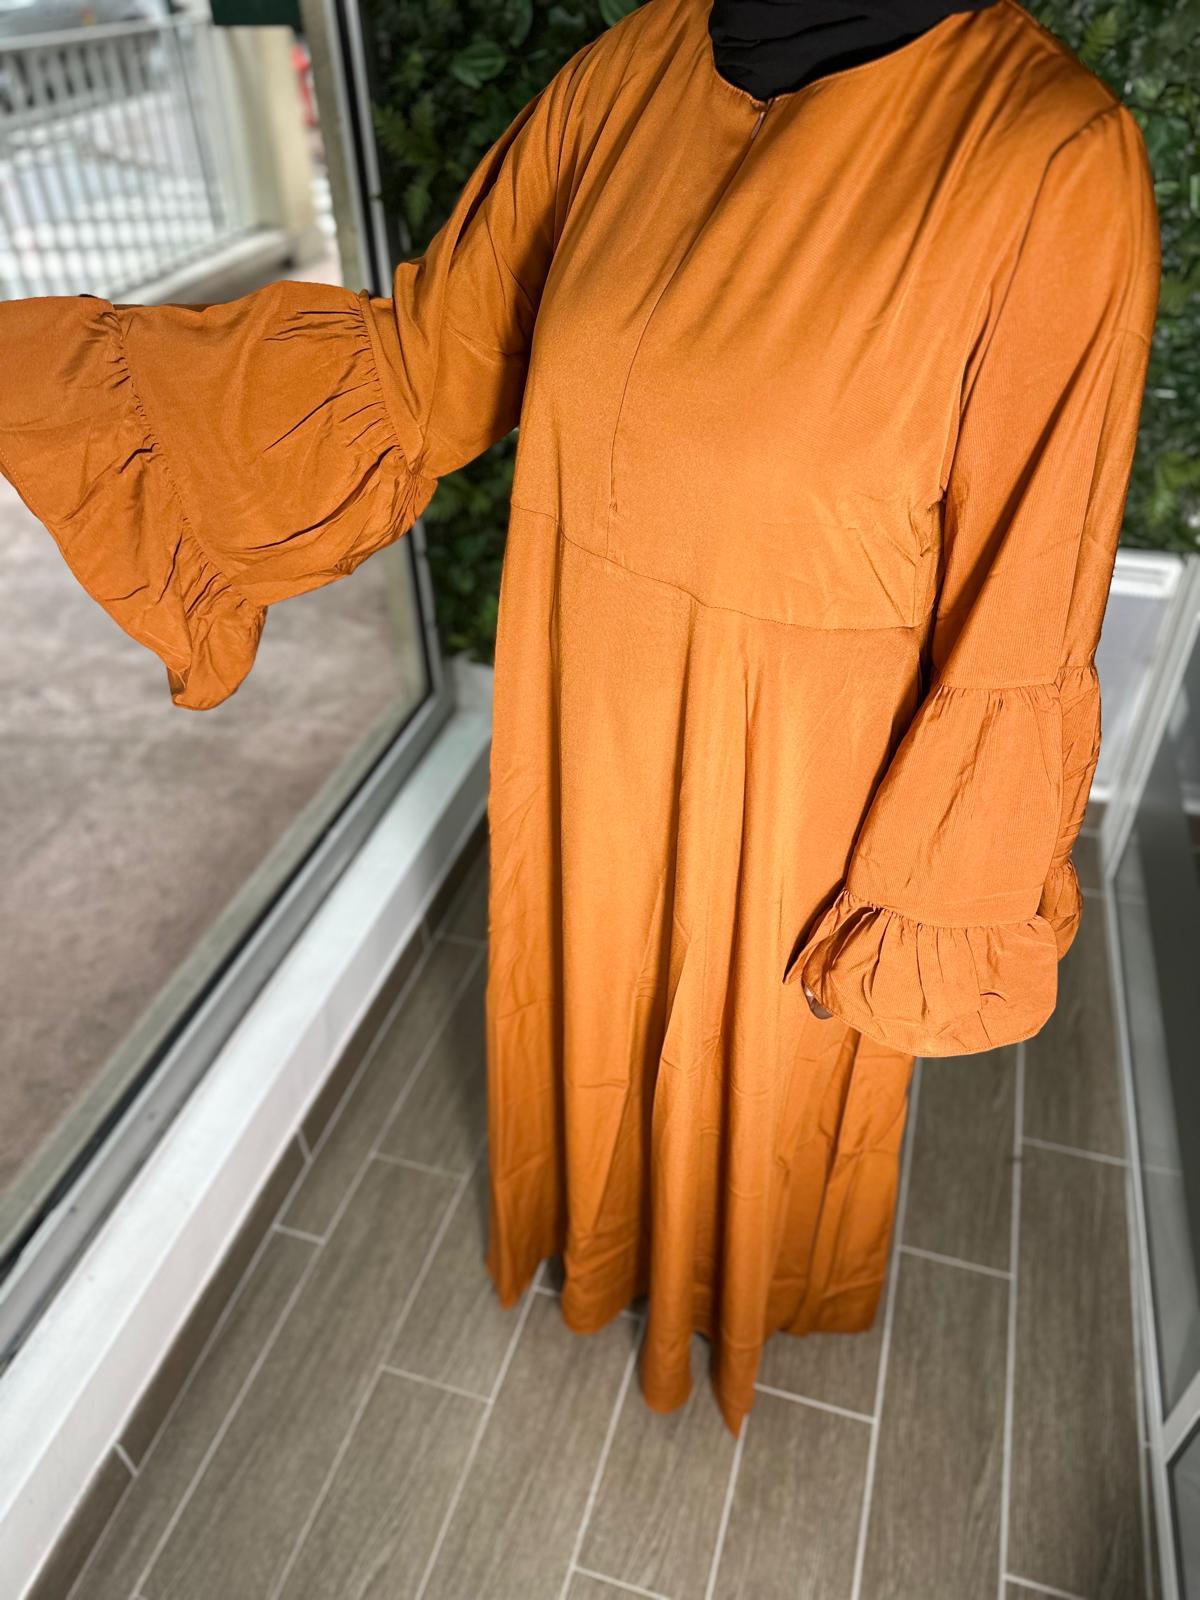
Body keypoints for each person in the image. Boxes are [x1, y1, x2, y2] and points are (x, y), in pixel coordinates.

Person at [0, 0, 1162, 1435]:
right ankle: (608, 1251)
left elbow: (1026, 596)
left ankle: (745, 1289)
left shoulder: (1051, 152)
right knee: (588, 985)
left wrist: (947, 883)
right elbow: (423, 363)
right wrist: (64, 377)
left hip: (806, 757)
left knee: (764, 1052)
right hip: (586, 685)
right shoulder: (630, 69)